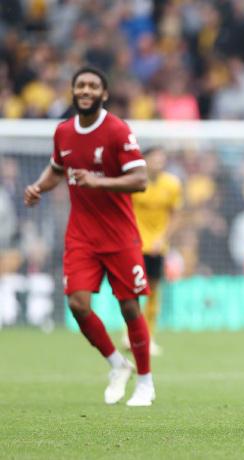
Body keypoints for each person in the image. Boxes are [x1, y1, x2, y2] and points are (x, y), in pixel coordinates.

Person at [24, 67, 155, 407]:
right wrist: (39, 187)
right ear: (73, 91)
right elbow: (56, 170)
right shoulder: (63, 132)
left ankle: (145, 382)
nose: (86, 90)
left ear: (103, 94)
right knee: (77, 304)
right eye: (80, 85)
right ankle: (116, 364)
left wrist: (100, 182)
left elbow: (140, 179)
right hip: (81, 236)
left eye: (93, 86)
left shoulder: (117, 130)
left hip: (119, 236)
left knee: (129, 307)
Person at [126, 146, 182, 356]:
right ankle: (129, 334)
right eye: (155, 158)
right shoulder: (133, 182)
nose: (159, 161)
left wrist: (164, 238)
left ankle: (147, 338)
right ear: (145, 160)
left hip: (158, 247)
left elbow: (176, 215)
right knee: (132, 292)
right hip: (134, 245)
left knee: (153, 292)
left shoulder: (172, 184)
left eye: (162, 158)